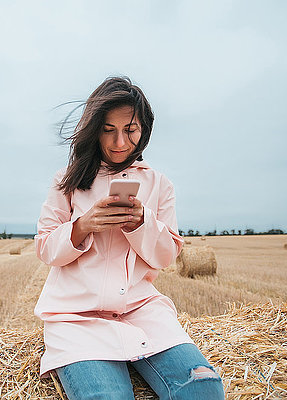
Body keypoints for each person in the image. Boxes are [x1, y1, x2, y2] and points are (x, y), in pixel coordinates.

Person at [34, 76, 225, 400]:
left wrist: (141, 222)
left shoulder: (159, 185)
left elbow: (166, 257)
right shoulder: (66, 180)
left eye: (130, 129)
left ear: (144, 130)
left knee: (203, 388)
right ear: (94, 129)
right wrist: (83, 225)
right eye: (109, 129)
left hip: (141, 310)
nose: (120, 141)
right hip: (76, 317)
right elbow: (45, 248)